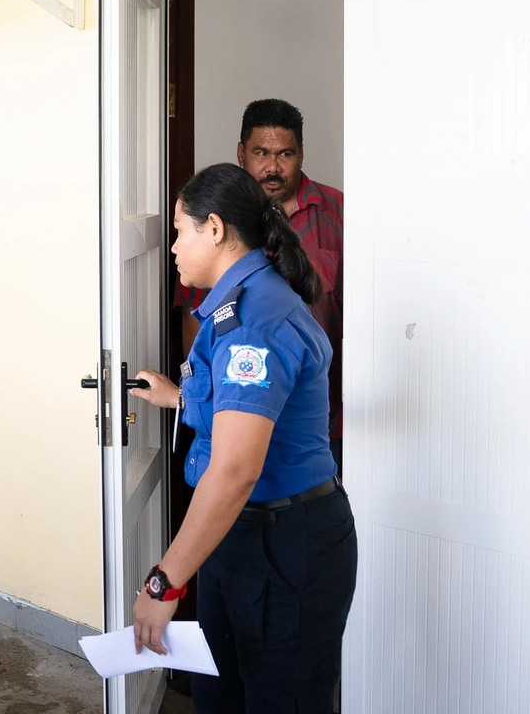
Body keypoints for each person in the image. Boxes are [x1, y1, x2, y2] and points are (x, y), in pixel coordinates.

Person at [133, 163, 357, 714]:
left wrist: (165, 583)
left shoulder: (253, 320)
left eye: (180, 231)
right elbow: (248, 414)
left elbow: (235, 469)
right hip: (245, 537)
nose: (173, 248)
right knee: (220, 696)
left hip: (283, 545)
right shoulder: (238, 304)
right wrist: (178, 398)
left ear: (214, 229)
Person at [177, 98, 345, 472]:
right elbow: (194, 321)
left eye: (285, 153)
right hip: (233, 406)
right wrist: (199, 397)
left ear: (302, 154)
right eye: (261, 153)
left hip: (317, 419)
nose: (272, 167)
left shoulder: (339, 213)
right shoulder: (213, 221)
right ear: (241, 154)